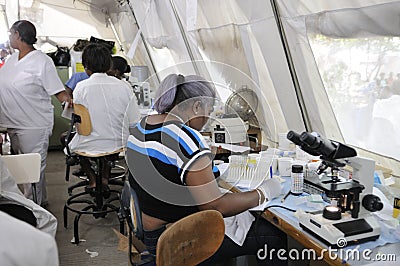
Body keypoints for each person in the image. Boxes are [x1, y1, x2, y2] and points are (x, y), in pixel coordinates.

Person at [126, 74, 287, 265]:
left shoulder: (143, 126)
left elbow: (165, 170)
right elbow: (215, 207)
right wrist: (264, 193)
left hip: (145, 230)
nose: (207, 119)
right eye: (208, 111)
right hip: (172, 240)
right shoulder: (185, 138)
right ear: (196, 107)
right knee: (271, 236)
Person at [0, 20, 71, 207]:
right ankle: (38, 202)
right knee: (24, 171)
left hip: (33, 125)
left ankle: (36, 211)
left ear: (18, 35)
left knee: (33, 172)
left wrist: (72, 105)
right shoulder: (10, 60)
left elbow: (57, 91)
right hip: (12, 123)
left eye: (10, 33)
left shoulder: (42, 61)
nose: (9, 37)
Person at [68, 43, 139, 195]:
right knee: (108, 145)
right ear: (109, 64)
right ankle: (105, 179)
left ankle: (92, 179)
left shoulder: (81, 87)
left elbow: (80, 123)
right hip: (119, 145)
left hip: (88, 145)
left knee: (75, 145)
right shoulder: (124, 86)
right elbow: (134, 121)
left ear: (86, 66)